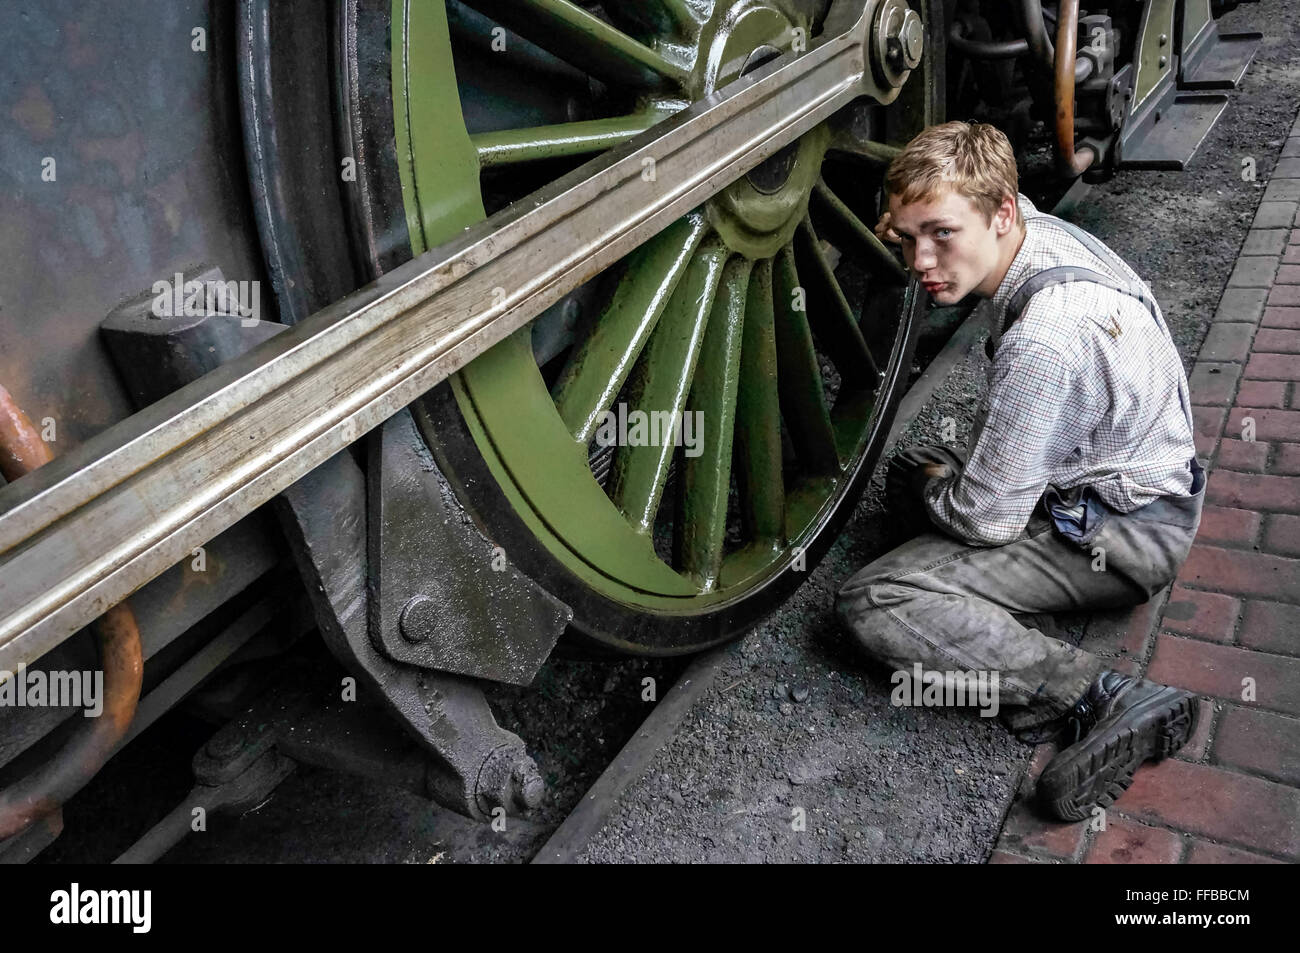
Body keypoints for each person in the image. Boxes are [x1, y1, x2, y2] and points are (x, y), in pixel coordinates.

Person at [836, 121, 1205, 822]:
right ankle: (980, 597)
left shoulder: (1046, 337)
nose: (920, 259)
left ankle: (1097, 694)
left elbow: (987, 519)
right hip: (1131, 488)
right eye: (907, 236)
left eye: (941, 234)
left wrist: (938, 495)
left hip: (1121, 535)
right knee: (919, 473)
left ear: (1001, 212)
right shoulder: (1038, 233)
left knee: (875, 599)